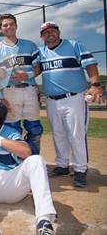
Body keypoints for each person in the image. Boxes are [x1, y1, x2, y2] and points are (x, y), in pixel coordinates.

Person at [0, 98, 57, 235]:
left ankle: (44, 221)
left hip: (11, 185)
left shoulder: (10, 132)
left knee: (36, 160)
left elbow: (26, 151)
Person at [35, 21, 104, 187]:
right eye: (46, 32)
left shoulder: (74, 45)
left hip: (74, 98)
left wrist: (95, 84)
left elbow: (91, 64)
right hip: (52, 100)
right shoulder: (41, 52)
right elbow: (35, 70)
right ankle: (62, 165)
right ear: (41, 36)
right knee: (58, 134)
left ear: (58, 32)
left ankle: (80, 170)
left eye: (53, 30)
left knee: (76, 135)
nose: (49, 34)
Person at [0, 13, 43, 155]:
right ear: (0, 29)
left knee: (35, 128)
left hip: (29, 89)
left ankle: (33, 159)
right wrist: (0, 97)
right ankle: (17, 160)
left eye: (11, 24)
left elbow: (38, 67)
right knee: (12, 128)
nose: (8, 27)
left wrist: (27, 75)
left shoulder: (29, 45)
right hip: (9, 91)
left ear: (16, 26)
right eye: (5, 25)